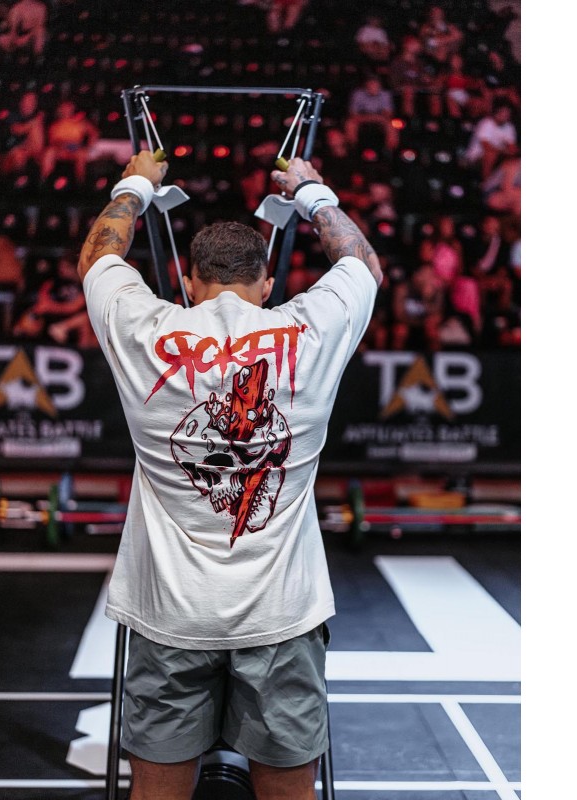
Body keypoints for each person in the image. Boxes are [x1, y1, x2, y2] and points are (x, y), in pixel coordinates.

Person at [78, 150, 380, 799]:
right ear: (266, 285)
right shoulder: (309, 329)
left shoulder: (145, 328)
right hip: (281, 617)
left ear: (188, 282)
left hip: (170, 615)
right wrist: (312, 192)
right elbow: (362, 265)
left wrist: (137, 184)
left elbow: (98, 258)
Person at [41, 100, 100, 186]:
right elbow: (52, 141)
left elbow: (94, 133)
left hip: (76, 149)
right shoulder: (55, 125)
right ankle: (45, 180)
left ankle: (80, 183)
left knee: (81, 154)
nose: (66, 110)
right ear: (60, 110)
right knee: (49, 153)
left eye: (68, 108)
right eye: (64, 108)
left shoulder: (80, 123)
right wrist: (61, 145)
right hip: (60, 150)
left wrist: (89, 146)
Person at [463, 99, 518, 180]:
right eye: (504, 112)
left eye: (508, 113)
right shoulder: (486, 123)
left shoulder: (509, 127)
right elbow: (486, 146)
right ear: (496, 112)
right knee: (491, 155)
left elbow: (512, 146)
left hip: (498, 155)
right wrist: (504, 151)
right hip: (476, 156)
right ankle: (486, 184)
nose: (506, 115)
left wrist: (512, 151)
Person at [344, 75, 399, 155]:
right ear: (366, 85)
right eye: (371, 84)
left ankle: (390, 151)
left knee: (391, 125)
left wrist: (378, 117)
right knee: (350, 124)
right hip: (362, 118)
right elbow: (353, 113)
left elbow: (388, 114)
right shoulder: (357, 94)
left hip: (380, 118)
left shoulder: (385, 95)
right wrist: (370, 117)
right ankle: (352, 148)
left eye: (376, 84)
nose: (373, 86)